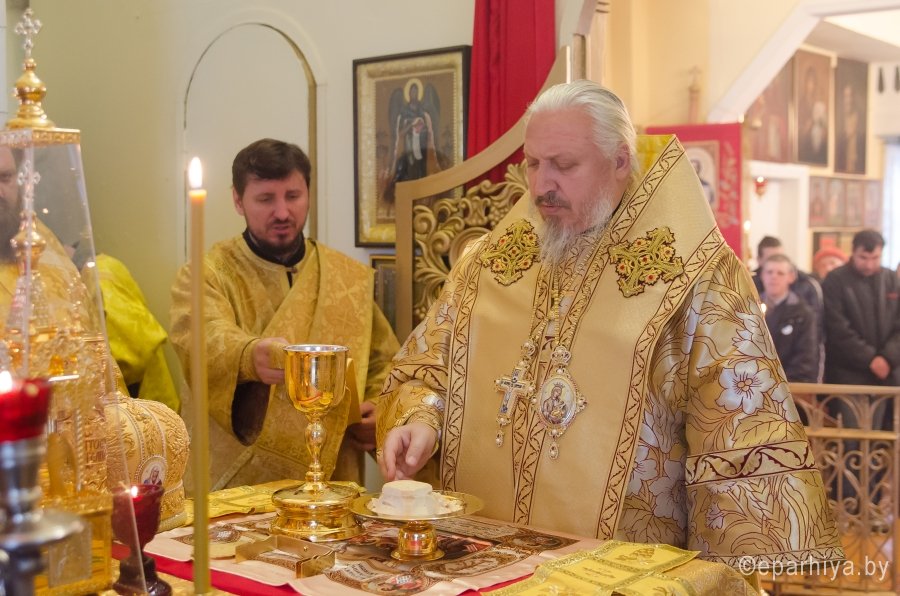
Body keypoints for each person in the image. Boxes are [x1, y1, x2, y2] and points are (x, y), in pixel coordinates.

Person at [376, 81, 842, 577]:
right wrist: (421, 418)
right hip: (479, 561)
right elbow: (428, 367)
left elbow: (736, 432)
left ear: (620, 161)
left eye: (564, 165)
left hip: (622, 572)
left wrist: (711, 578)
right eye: (533, 163)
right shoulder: (488, 264)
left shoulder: (693, 277)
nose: (541, 185)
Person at [169, 138, 400, 490]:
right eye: (265, 199)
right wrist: (248, 356)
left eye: (293, 196)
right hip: (237, 486)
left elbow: (384, 360)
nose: (282, 212)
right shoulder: (207, 273)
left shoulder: (345, 277)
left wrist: (379, 410)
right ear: (237, 200)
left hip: (331, 481)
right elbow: (202, 338)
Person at [822, 229, 900, 388]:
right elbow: (836, 326)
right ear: (853, 252)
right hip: (847, 372)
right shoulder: (835, 280)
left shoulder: (892, 280)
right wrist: (870, 359)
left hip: (889, 371)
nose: (869, 265)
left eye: (875, 258)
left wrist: (888, 358)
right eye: (863, 258)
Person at [759, 254, 819, 382]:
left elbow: (805, 357)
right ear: (762, 275)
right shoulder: (749, 308)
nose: (774, 277)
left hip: (789, 384)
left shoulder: (803, 314)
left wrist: (780, 384)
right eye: (769, 272)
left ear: (791, 277)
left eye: (780, 273)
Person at [797, 65, 828, 165]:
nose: (811, 86)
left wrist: (823, 129)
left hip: (817, 143)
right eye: (809, 82)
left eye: (813, 83)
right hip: (806, 146)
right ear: (805, 83)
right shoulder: (801, 104)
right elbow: (798, 130)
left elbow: (823, 123)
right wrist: (806, 127)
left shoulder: (817, 103)